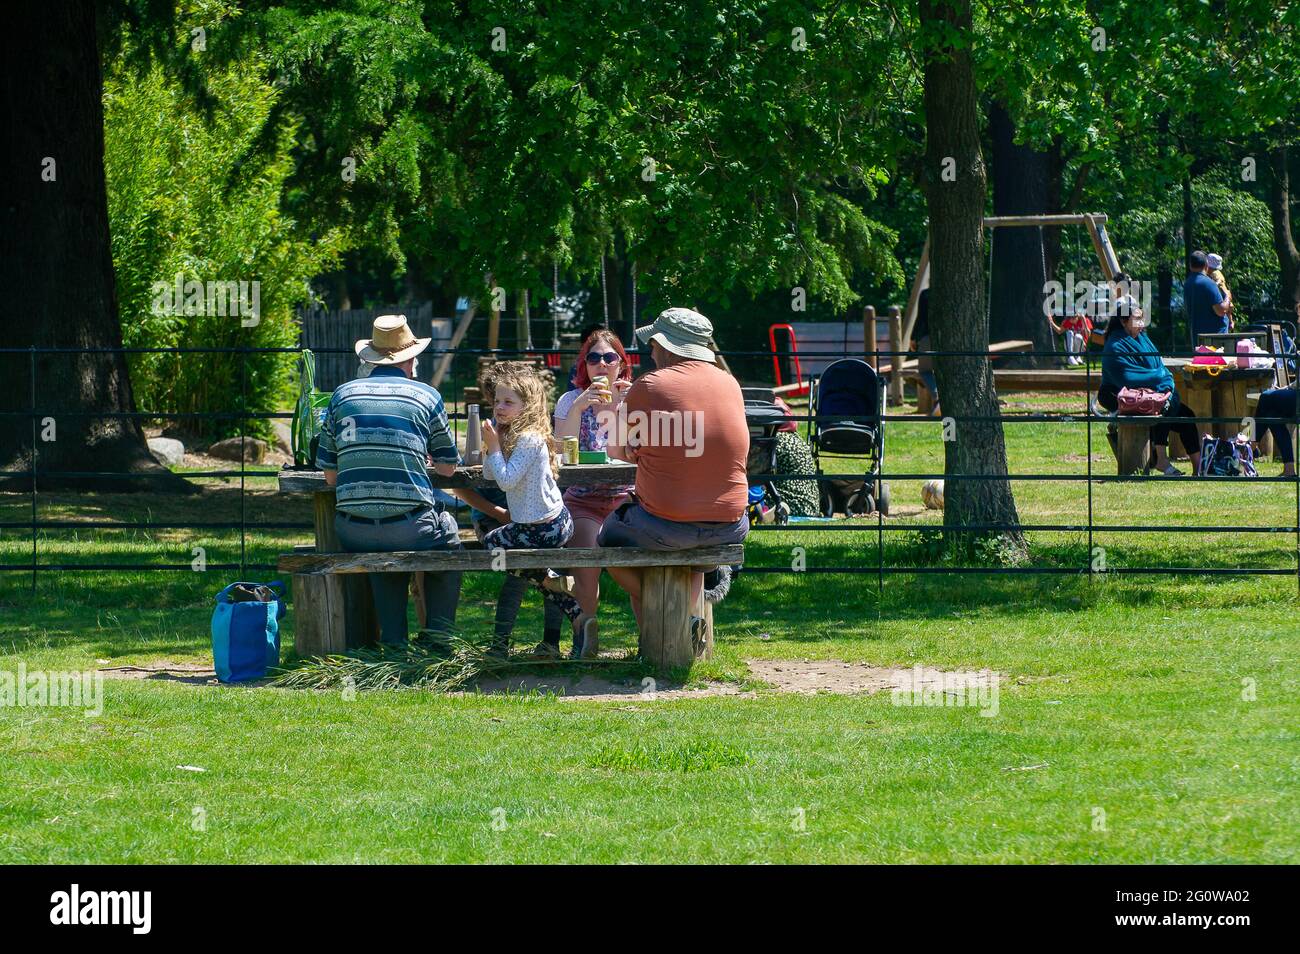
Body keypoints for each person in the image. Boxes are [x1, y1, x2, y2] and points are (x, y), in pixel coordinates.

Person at [600, 308, 749, 647]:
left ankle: (675, 620)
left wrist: (623, 412)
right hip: (731, 525)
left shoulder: (650, 385)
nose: (650, 351)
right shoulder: (730, 383)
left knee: (606, 537)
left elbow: (618, 450)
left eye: (653, 343)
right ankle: (682, 627)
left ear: (667, 347)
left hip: (665, 525)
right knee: (690, 559)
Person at [316, 315, 464, 648]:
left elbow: (330, 476)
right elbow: (447, 470)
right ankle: (438, 640)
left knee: (381, 541)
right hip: (409, 527)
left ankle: (394, 643)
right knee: (447, 536)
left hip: (352, 530)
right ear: (410, 359)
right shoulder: (426, 397)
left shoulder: (341, 396)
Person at [480, 364, 589, 657]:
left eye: (507, 402)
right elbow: (490, 475)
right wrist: (493, 446)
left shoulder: (528, 438)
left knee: (491, 546)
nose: (499, 407)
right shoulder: (515, 434)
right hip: (535, 524)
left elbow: (504, 480)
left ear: (526, 406)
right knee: (515, 565)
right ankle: (567, 607)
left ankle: (552, 588)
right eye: (497, 401)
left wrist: (493, 449)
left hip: (544, 525)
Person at [553, 330, 635, 654]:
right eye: (593, 358)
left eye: (609, 357)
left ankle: (653, 636)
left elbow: (632, 455)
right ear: (584, 365)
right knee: (585, 563)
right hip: (583, 498)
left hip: (623, 499)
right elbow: (560, 453)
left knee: (627, 565)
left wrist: (624, 410)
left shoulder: (633, 399)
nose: (601, 364)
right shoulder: (569, 400)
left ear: (620, 364)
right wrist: (578, 408)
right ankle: (586, 639)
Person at [1098, 297, 1202, 476]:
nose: (1141, 323)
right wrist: (1161, 377)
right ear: (1123, 321)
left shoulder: (1143, 338)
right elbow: (1127, 377)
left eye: (1142, 318)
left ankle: (1199, 468)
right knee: (1162, 408)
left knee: (1186, 415)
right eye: (1136, 319)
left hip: (1150, 392)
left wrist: (1164, 380)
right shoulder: (1114, 346)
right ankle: (1161, 460)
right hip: (1118, 395)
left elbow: (1158, 365)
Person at [1184, 250, 1230, 341]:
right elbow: (1221, 311)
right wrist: (1228, 297)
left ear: (1190, 265)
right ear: (1206, 265)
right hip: (1215, 337)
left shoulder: (1187, 283)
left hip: (1197, 336)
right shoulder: (1208, 283)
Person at [912, 287, 939, 414]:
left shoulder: (927, 294)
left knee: (925, 371)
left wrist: (913, 337)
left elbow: (921, 317)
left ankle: (938, 397)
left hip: (928, 337)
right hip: (951, 338)